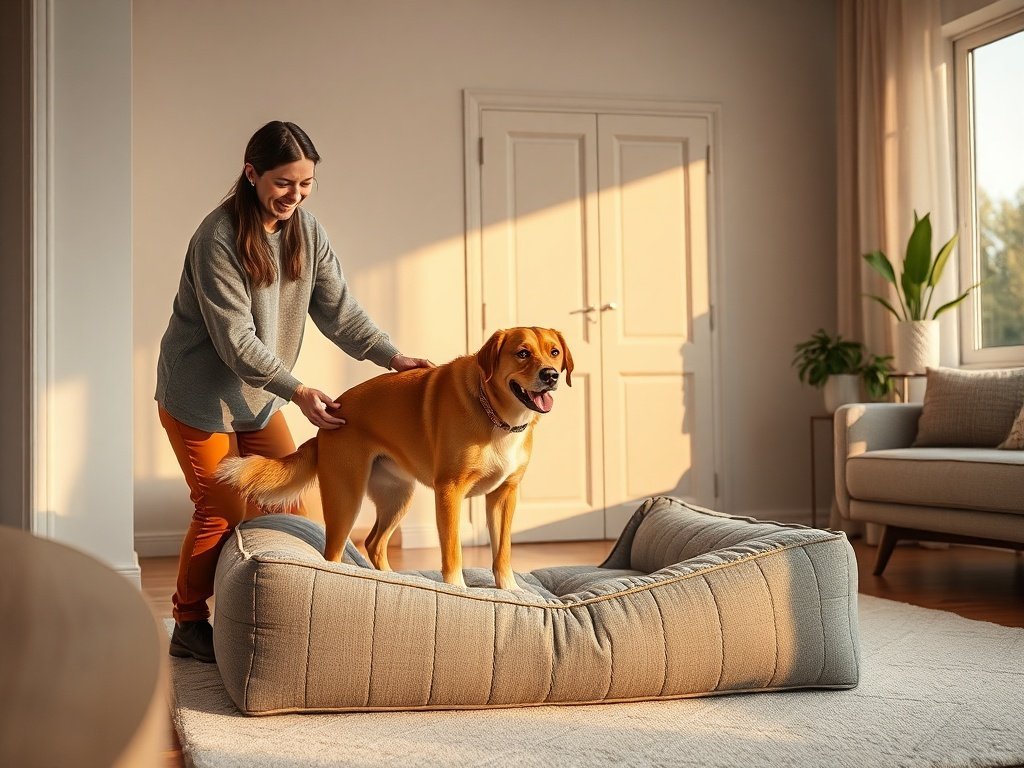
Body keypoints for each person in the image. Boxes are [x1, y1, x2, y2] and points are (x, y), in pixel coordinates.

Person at [155, 121, 432, 663]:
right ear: (251, 173)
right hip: (199, 396)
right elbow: (236, 340)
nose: (295, 195)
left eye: (306, 184)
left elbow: (338, 310)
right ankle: (188, 621)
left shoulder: (307, 230)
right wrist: (299, 390)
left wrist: (391, 356)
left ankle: (277, 618)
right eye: (284, 182)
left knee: (289, 502)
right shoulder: (217, 238)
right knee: (221, 507)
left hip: (259, 397)